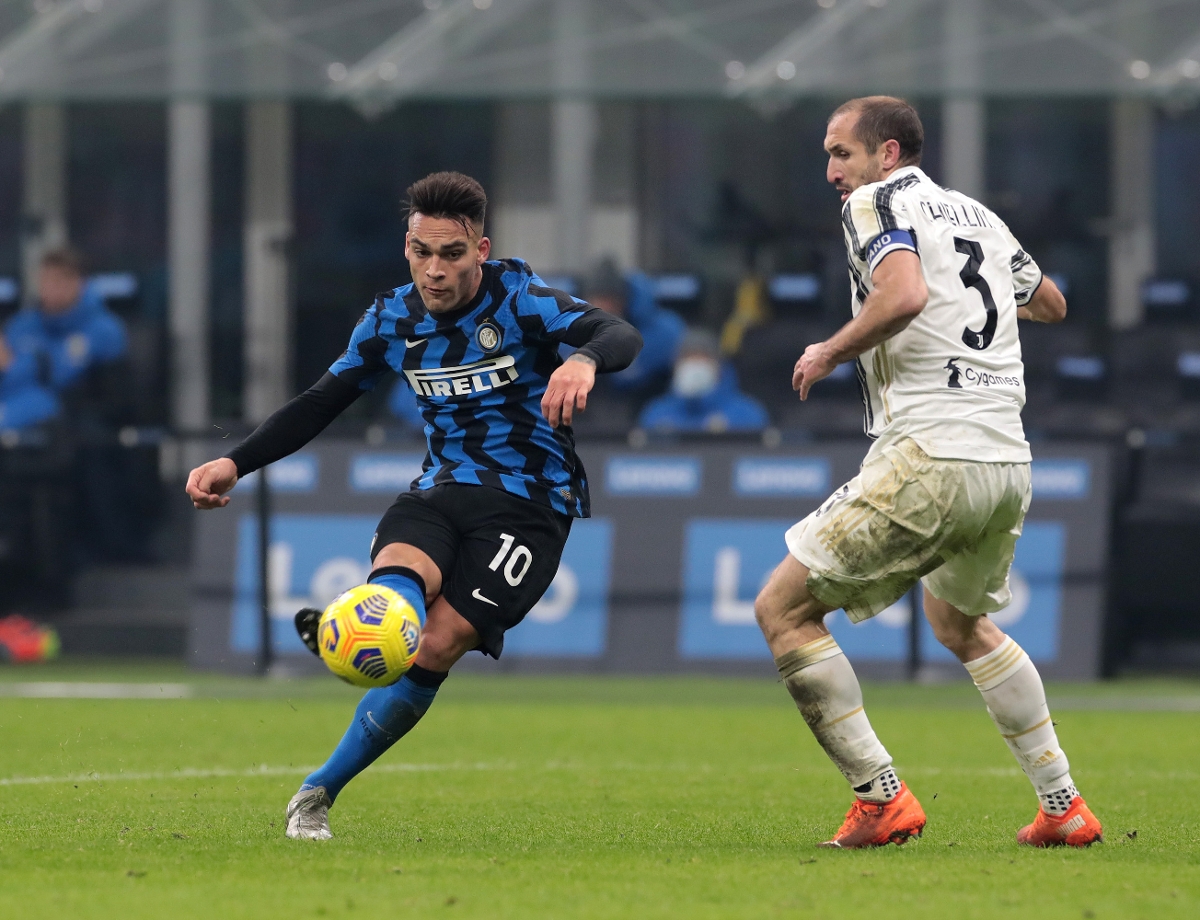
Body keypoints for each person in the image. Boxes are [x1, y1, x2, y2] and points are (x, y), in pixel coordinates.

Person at [185, 171, 642, 840]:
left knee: (438, 643)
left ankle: (319, 784)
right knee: (398, 585)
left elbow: (620, 332)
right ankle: (361, 639)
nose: (434, 270)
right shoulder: (390, 318)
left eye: (451, 254)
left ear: (480, 250)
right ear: (406, 246)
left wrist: (585, 361)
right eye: (421, 252)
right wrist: (235, 462)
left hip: (529, 505)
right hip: (441, 489)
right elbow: (320, 402)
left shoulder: (521, 300)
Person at [752, 97, 1099, 849]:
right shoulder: (978, 215)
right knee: (960, 624)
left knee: (782, 610)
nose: (831, 171)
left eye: (842, 153)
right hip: (1006, 460)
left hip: (933, 453)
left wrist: (830, 349)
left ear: (887, 154)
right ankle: (1063, 807)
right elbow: (1050, 303)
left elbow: (904, 294)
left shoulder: (876, 203)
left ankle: (880, 797)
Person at [637, 328, 769, 434]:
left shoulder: (747, 414)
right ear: (675, 366)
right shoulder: (656, 414)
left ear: (719, 366)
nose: (695, 364)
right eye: (688, 358)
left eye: (703, 358)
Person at [583, 257, 683, 396]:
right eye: (597, 300)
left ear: (624, 299)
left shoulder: (664, 331)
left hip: (646, 400)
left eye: (609, 300)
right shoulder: (568, 330)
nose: (603, 307)